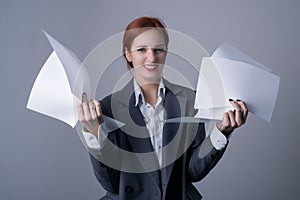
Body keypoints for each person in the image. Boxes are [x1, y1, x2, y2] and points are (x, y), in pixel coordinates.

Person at [77, 16, 248, 200]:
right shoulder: (107, 109)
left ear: (166, 52)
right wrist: (95, 134)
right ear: (128, 54)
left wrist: (222, 131)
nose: (151, 57)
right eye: (141, 49)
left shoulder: (189, 101)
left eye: (158, 49)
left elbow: (193, 172)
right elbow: (111, 184)